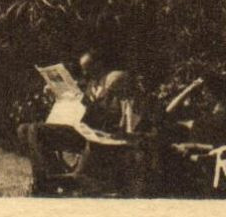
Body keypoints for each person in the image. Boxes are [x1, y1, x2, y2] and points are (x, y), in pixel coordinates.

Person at [18, 47, 143, 195]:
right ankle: (50, 175)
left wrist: (90, 105)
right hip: (79, 130)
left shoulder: (113, 82)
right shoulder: (89, 85)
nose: (85, 72)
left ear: (100, 65)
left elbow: (112, 117)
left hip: (96, 135)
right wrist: (55, 94)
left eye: (89, 68)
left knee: (34, 130)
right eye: (83, 69)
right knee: (24, 129)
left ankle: (47, 182)